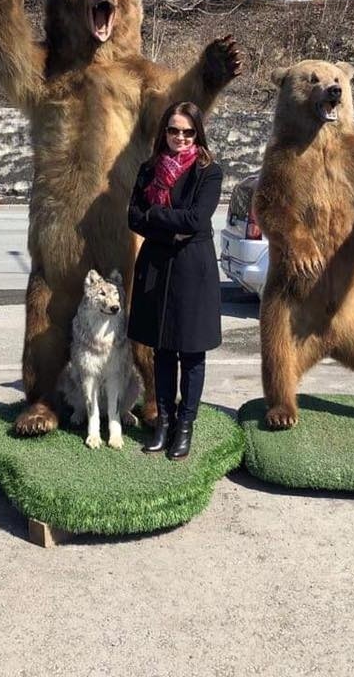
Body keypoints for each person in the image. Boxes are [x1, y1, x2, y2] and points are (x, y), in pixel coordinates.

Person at [127, 101, 223, 460]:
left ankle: (185, 426)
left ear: (197, 133)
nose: (180, 137)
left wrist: (155, 216)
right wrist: (165, 219)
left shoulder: (208, 171)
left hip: (192, 269)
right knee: (162, 351)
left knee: (191, 353)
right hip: (156, 265)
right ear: (163, 132)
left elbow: (197, 220)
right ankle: (163, 423)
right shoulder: (149, 168)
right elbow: (134, 218)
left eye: (187, 131)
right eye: (173, 130)